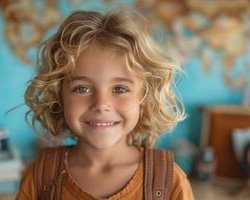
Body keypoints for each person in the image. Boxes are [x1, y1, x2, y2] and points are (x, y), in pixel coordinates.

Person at [17, 10, 193, 200]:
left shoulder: (170, 182)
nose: (101, 105)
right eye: (82, 89)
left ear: (145, 97)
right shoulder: (40, 179)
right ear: (58, 97)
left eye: (119, 89)